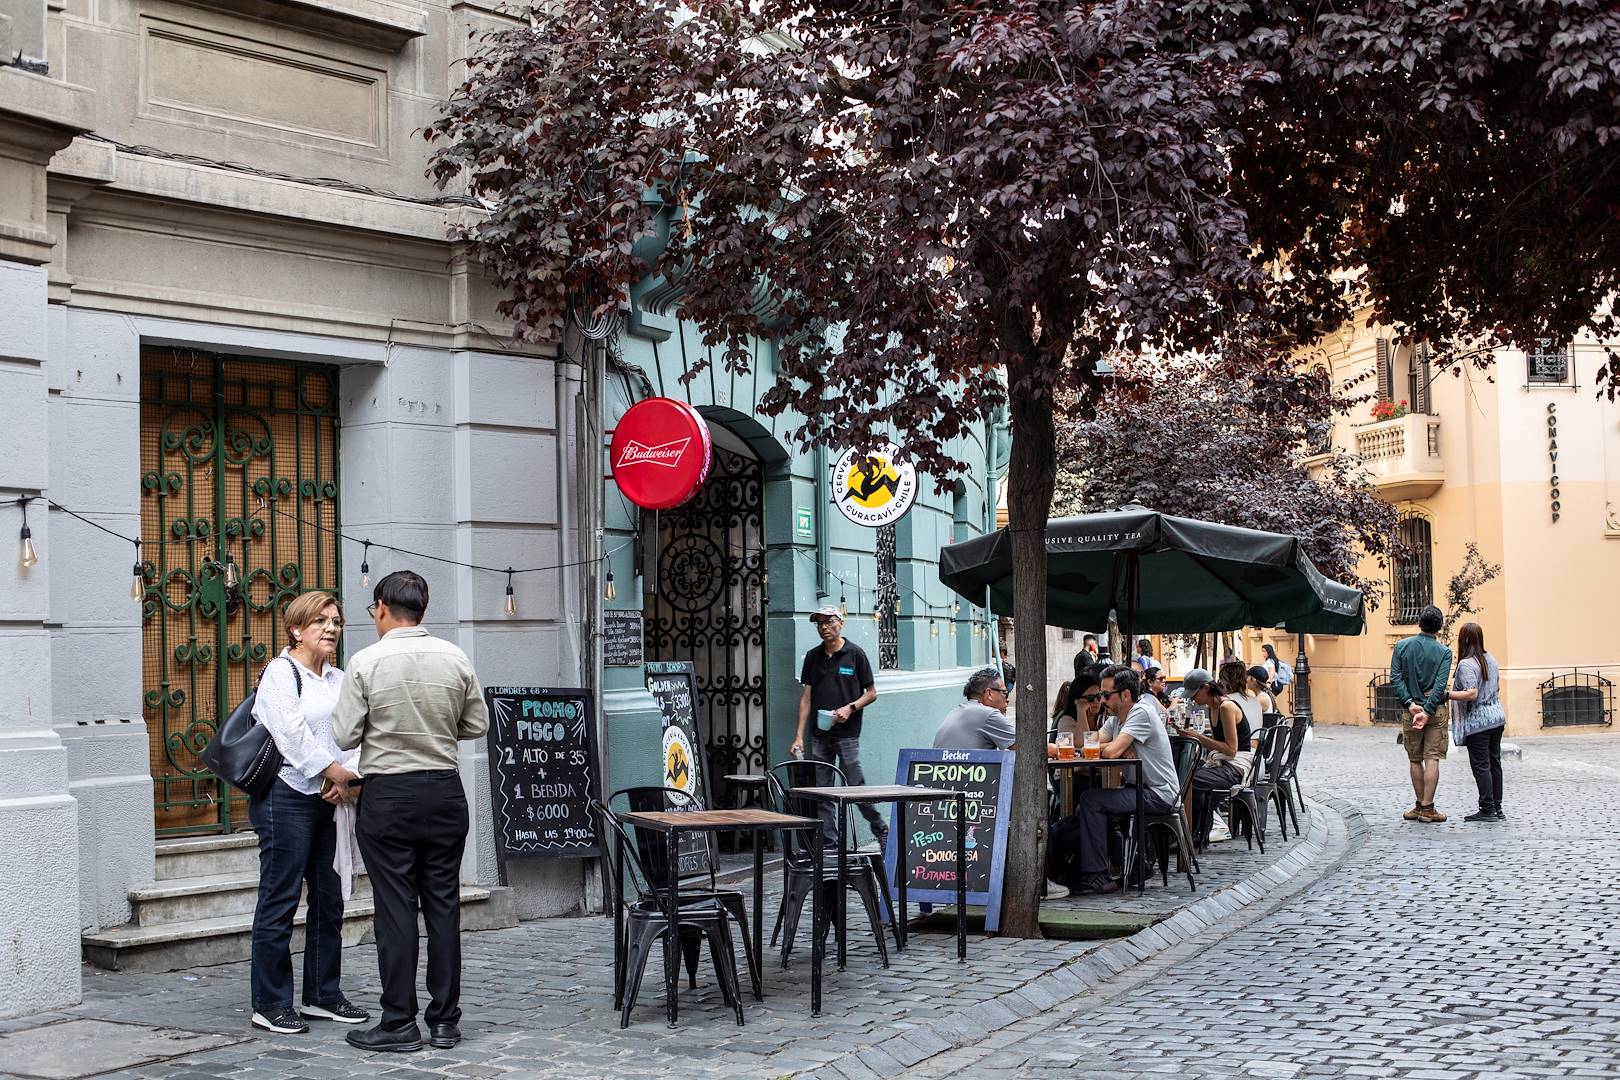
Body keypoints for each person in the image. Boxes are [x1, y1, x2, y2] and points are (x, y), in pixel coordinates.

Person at [333, 571, 489, 1053]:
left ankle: (399, 1020)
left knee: (395, 909)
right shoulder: (455, 656)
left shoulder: (365, 661)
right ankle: (445, 1021)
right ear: (423, 609)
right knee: (443, 906)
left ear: (381, 607)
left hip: (389, 795)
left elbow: (343, 736)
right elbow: (477, 723)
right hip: (444, 791)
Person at [247, 591, 367, 1035]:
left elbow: (359, 733)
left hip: (333, 799)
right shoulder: (281, 673)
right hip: (287, 798)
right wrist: (334, 774)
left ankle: (323, 994)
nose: (332, 628)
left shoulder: (339, 679)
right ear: (296, 629)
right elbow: (291, 735)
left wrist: (348, 777)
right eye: (320, 621)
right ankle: (271, 1002)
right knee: (280, 899)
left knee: (329, 898)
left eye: (336, 620)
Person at [1063, 667, 1180, 895]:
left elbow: (1110, 752)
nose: (1101, 700)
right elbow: (1082, 744)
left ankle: (1098, 876)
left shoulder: (1141, 712)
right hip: (1137, 789)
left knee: (1091, 801)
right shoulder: (1116, 720)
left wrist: (1117, 746)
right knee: (1090, 803)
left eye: (1106, 695)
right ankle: (1135, 864)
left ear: (1125, 695)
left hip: (1159, 793)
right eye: (1099, 696)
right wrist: (1080, 710)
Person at [790, 606, 884, 848]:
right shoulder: (813, 657)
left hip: (847, 734)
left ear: (840, 623)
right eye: (819, 624)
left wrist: (850, 708)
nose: (824, 628)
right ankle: (830, 845)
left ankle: (880, 828)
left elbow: (872, 693)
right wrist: (799, 736)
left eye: (828, 622)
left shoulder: (855, 654)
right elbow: (806, 697)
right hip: (820, 735)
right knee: (823, 793)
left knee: (856, 788)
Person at [1174, 669, 1253, 846]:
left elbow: (1231, 749)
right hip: (1224, 763)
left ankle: (1191, 832)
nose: (1193, 699)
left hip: (1236, 767)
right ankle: (1197, 831)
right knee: (1186, 777)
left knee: (1188, 781)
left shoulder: (1226, 707)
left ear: (1206, 688)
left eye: (1194, 694)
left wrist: (1197, 737)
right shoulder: (1212, 708)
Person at [1390, 604, 1454, 824]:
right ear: (1439, 627)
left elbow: (1396, 678)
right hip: (1434, 711)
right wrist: (1427, 711)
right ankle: (1427, 807)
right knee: (1432, 758)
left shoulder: (1401, 647)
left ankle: (1419, 805)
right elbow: (1440, 685)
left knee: (1415, 760)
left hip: (1411, 711)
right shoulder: (1444, 652)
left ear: (1419, 623)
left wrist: (1410, 704)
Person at [1447, 622, 1506, 823]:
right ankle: (1497, 807)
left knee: (1481, 765)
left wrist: (1446, 695)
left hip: (1479, 723)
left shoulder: (1466, 664)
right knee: (1494, 764)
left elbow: (1472, 693)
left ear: (1462, 640)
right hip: (1497, 717)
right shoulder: (1491, 658)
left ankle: (1487, 808)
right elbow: (1496, 687)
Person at [934, 668, 1016, 751]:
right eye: (1004, 693)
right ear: (989, 693)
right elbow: (1023, 748)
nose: (1007, 699)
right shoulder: (989, 715)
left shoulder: (957, 711)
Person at [1056, 670, 1104, 739]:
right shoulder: (1066, 721)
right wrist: (1081, 710)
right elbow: (1082, 744)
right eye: (1090, 698)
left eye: (1099, 696)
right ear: (1076, 700)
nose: (1096, 701)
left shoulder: (1104, 717)